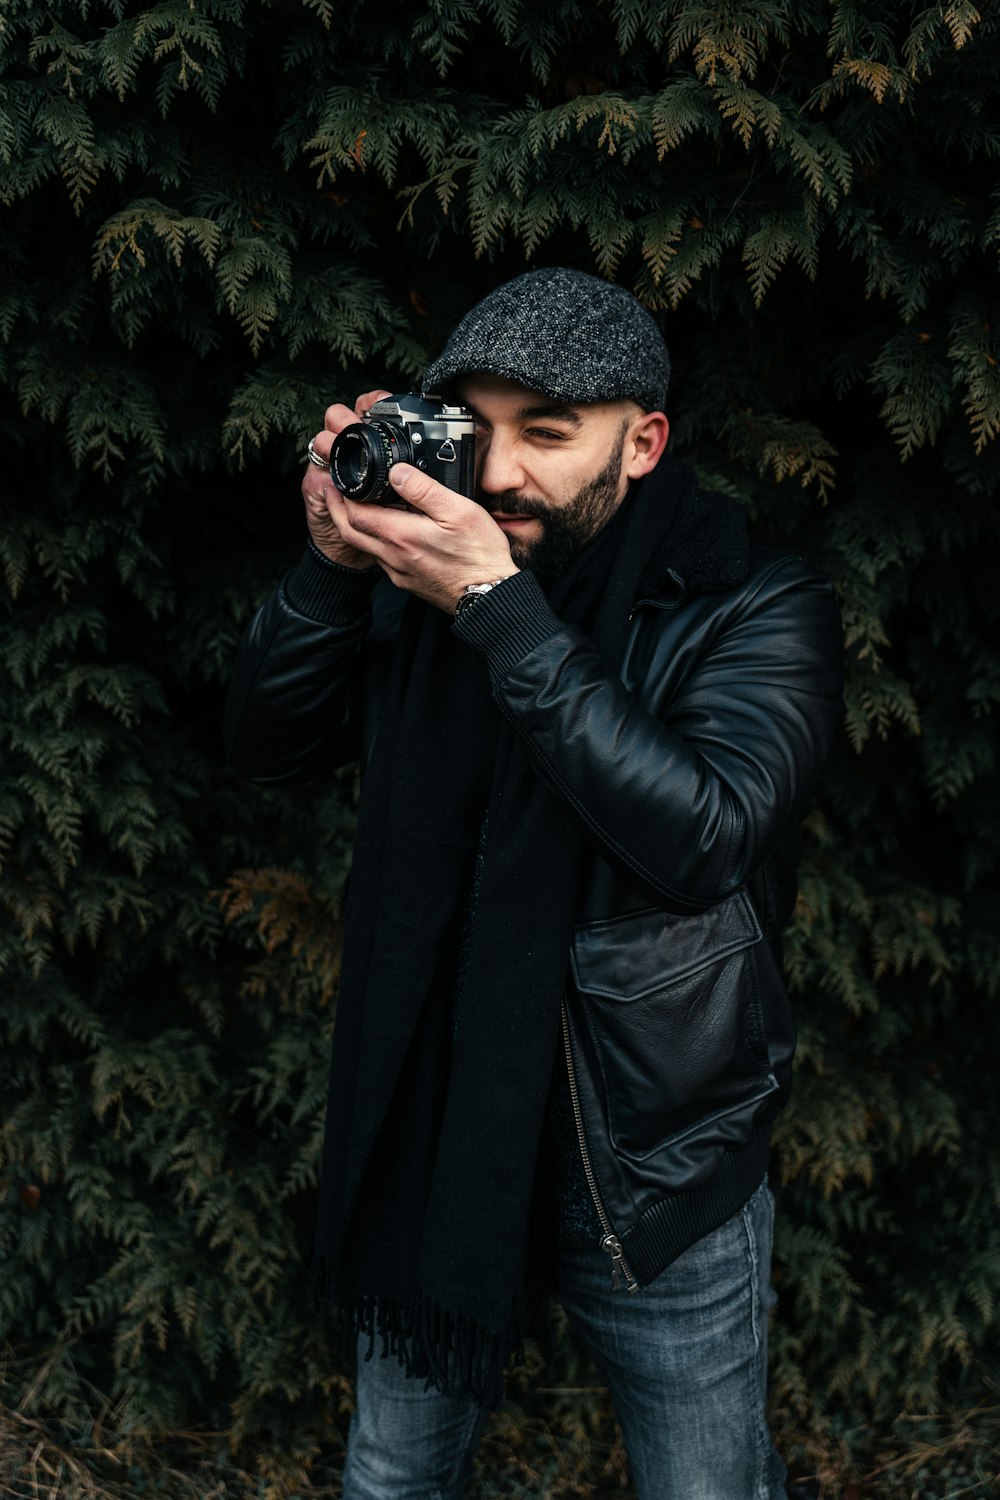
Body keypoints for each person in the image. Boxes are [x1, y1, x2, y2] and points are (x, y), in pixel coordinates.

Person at [224, 266, 843, 1499]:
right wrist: (330, 568)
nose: (499, 473)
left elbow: (703, 836)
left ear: (644, 440)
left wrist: (501, 614)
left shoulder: (754, 603)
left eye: (548, 435)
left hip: (659, 1155)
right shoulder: (426, 577)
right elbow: (262, 748)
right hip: (438, 1125)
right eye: (475, 429)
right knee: (392, 1478)